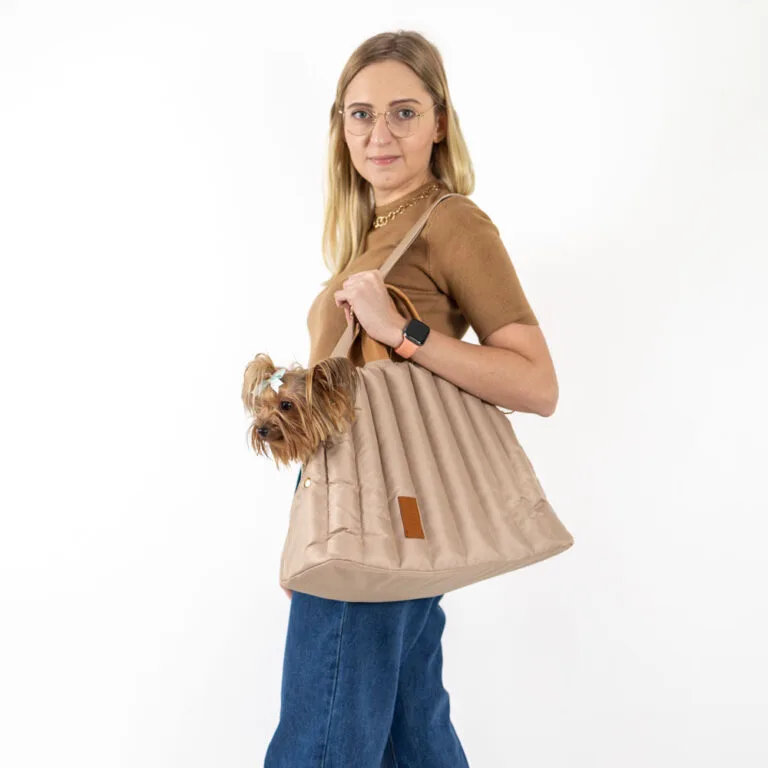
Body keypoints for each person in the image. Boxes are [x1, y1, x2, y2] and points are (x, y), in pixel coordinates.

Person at [264, 29, 558, 768]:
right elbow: (344, 418)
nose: (380, 134)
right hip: (358, 518)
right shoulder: (366, 238)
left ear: (439, 123)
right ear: (341, 127)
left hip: (384, 518)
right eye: (360, 114)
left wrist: (402, 332)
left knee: (320, 748)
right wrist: (305, 532)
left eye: (403, 112)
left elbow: (536, 382)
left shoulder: (451, 222)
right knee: (414, 741)